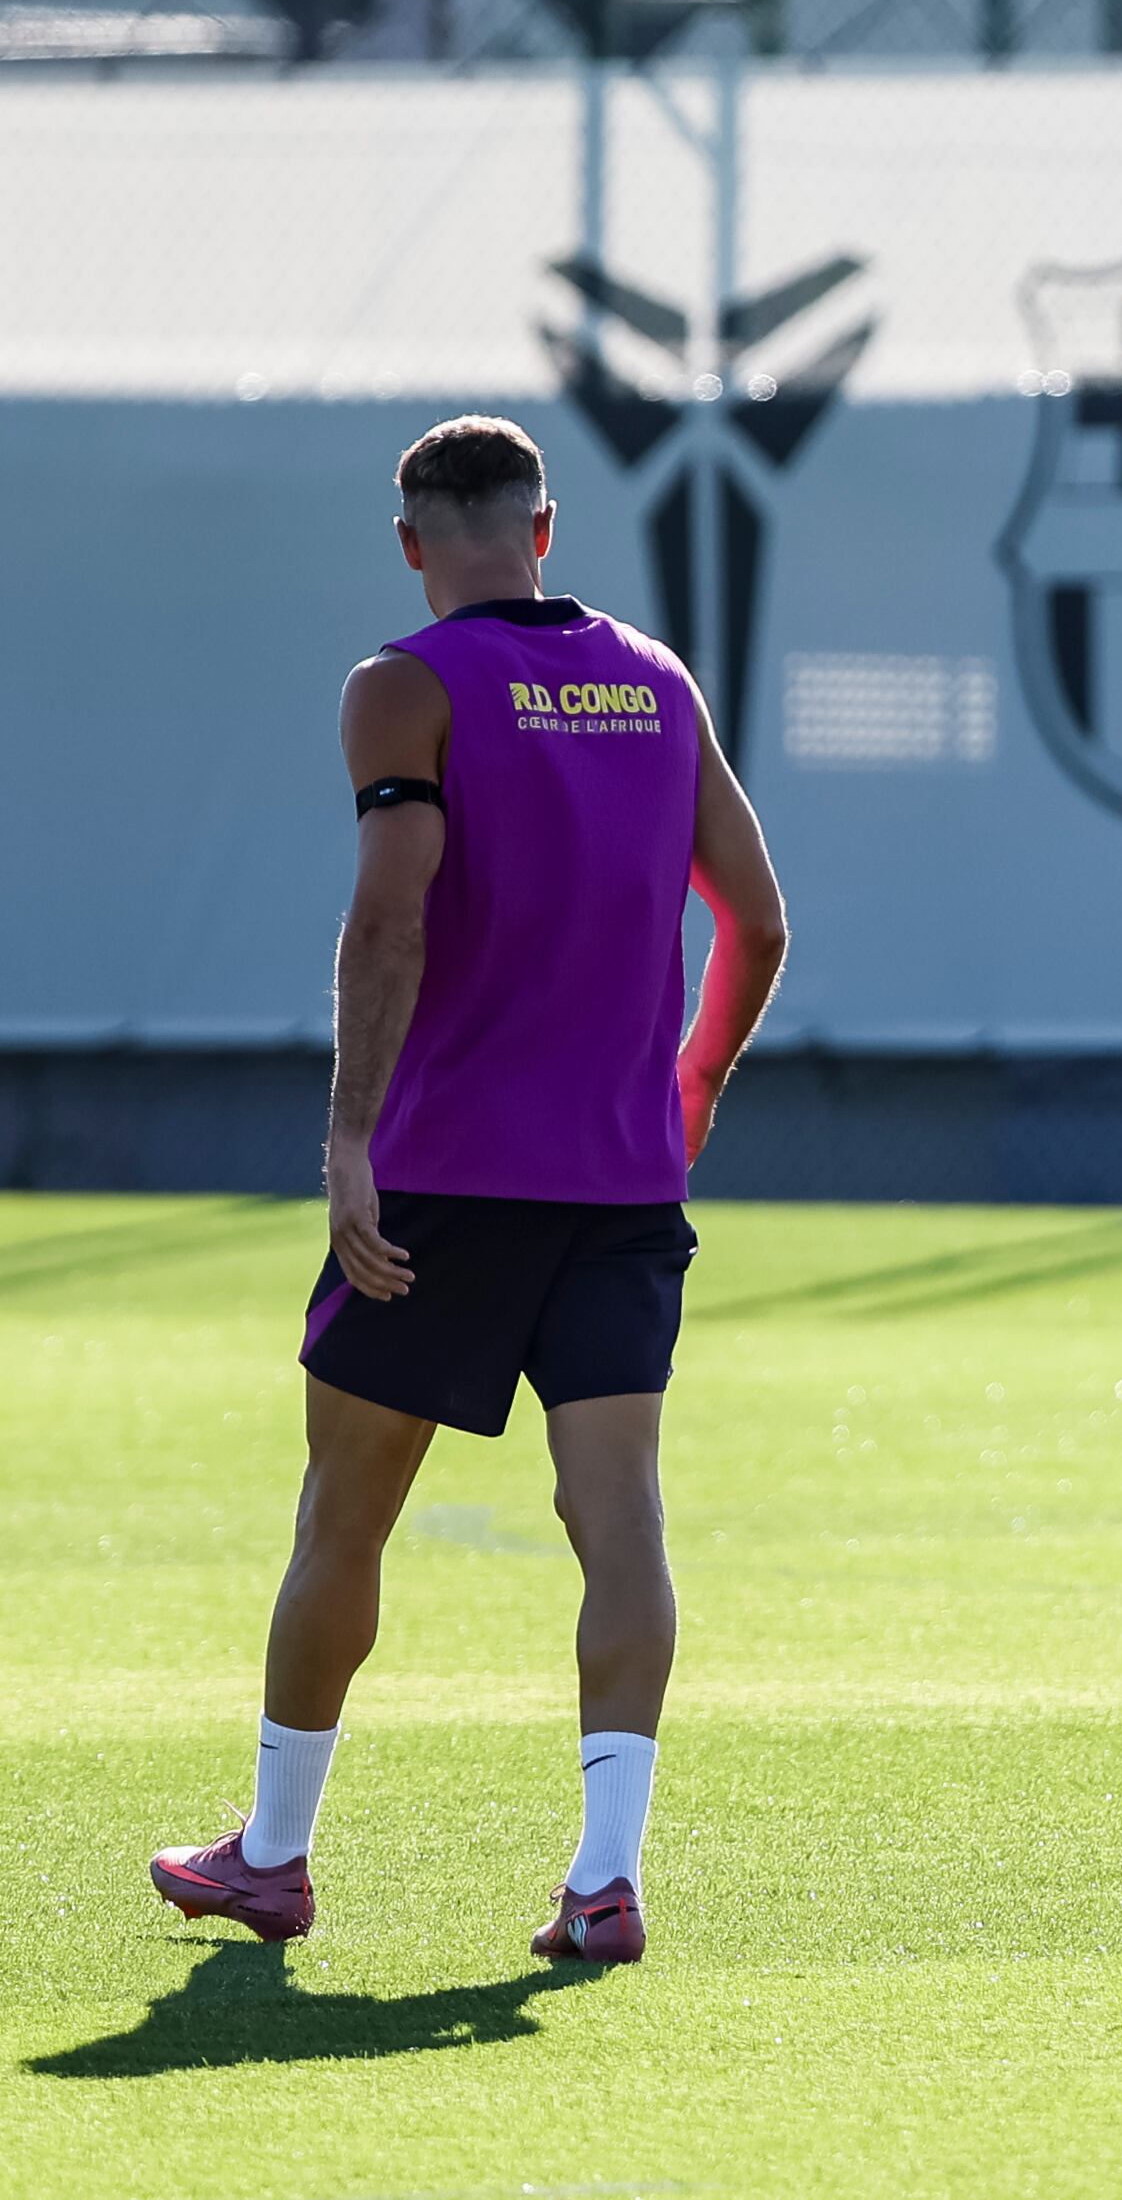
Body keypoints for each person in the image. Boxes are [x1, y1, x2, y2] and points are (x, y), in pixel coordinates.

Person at [148, 417, 789, 1966]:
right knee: (617, 1516)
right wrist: (688, 1089)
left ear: (413, 539)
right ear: (547, 528)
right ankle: (604, 1877)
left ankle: (276, 1855)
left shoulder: (402, 685)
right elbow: (758, 927)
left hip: (446, 1175)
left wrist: (347, 1141)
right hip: (622, 1181)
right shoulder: (656, 680)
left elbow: (391, 920)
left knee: (343, 1518)